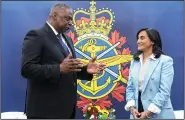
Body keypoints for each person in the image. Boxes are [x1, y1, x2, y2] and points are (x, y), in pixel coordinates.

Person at [21, 3, 106, 119]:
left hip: (66, 111)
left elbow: (68, 69)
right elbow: (27, 69)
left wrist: (86, 70)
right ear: (55, 15)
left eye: (71, 20)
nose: (71, 23)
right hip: (45, 112)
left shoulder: (67, 39)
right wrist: (59, 68)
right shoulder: (36, 35)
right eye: (68, 18)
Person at [125, 28, 175, 119]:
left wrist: (148, 112)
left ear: (152, 41)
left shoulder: (165, 61)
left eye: (142, 38)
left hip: (159, 114)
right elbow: (130, 88)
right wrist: (132, 108)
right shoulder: (134, 61)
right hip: (137, 113)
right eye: (138, 38)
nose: (138, 41)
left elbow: (164, 91)